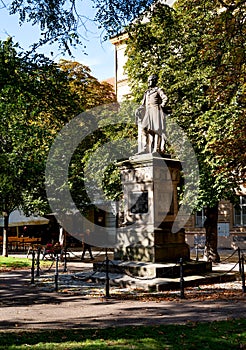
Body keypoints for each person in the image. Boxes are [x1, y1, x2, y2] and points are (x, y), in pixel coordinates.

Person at [135, 74, 168, 154]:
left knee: (156, 130)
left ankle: (156, 149)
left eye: (150, 80)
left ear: (154, 81)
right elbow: (143, 104)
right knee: (144, 128)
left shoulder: (158, 90)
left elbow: (165, 98)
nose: (149, 82)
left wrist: (162, 106)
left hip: (156, 110)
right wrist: (138, 109)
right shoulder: (146, 92)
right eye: (148, 81)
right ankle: (145, 148)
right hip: (148, 112)